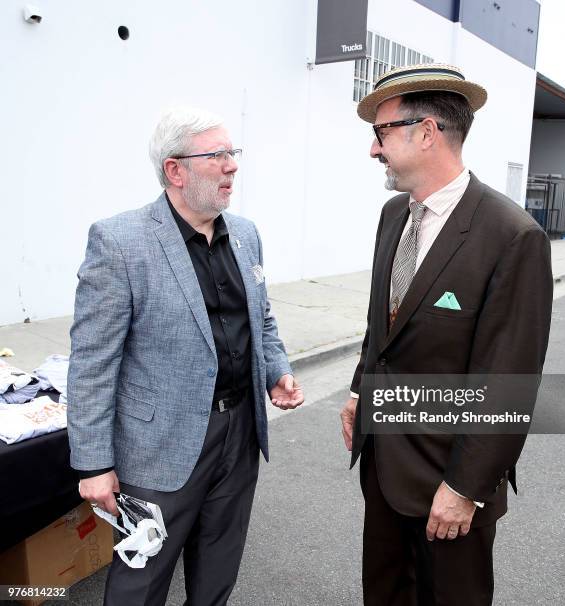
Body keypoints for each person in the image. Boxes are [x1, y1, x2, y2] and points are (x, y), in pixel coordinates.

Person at [67, 106, 304, 606]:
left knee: (217, 571)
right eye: (217, 155)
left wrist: (276, 370)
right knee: (141, 581)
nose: (232, 165)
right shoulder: (120, 242)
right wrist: (93, 464)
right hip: (157, 446)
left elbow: (260, 318)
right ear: (175, 170)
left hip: (238, 435)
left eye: (232, 153)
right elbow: (92, 362)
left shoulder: (245, 234)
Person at [340, 64, 553, 605]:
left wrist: (464, 490)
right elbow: (380, 325)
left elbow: (509, 383)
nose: (373, 150)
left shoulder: (512, 236)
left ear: (428, 131)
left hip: (448, 489)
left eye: (381, 132)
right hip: (384, 468)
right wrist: (361, 388)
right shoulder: (394, 216)